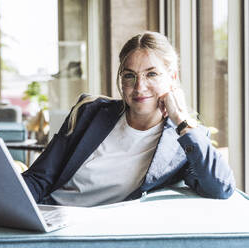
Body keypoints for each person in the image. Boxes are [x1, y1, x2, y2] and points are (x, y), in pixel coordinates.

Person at [22, 31, 235, 207]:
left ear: (172, 78)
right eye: (129, 75)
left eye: (151, 74)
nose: (139, 87)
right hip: (50, 216)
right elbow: (39, 178)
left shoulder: (184, 141)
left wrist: (180, 118)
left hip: (102, 232)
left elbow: (221, 187)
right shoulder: (89, 112)